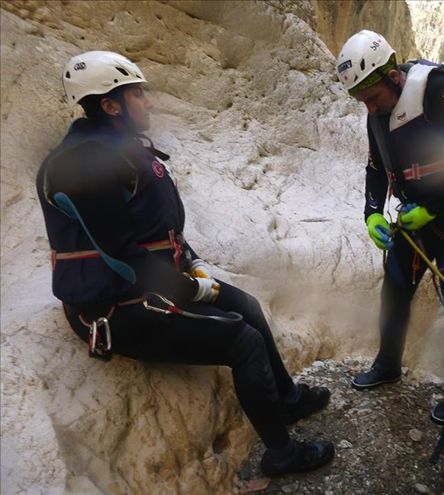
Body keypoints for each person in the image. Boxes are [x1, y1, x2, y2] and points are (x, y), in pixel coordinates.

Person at [36, 50, 334, 476]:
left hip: (147, 285)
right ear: (110, 105)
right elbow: (121, 255)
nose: (149, 102)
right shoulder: (81, 163)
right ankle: (281, 453)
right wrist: (188, 288)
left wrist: (193, 264)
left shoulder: (116, 151)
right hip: (114, 307)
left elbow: (154, 227)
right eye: (138, 94)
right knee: (243, 342)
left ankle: (285, 401)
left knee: (246, 306)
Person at [336, 31, 444, 424]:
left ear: (393, 77)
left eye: (373, 98)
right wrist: (372, 213)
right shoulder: (378, 109)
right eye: (362, 101)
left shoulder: (440, 88)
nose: (370, 108)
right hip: (414, 216)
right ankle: (388, 364)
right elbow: (376, 167)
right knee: (395, 289)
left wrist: (433, 206)